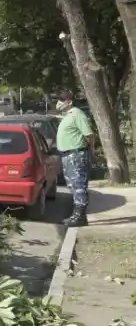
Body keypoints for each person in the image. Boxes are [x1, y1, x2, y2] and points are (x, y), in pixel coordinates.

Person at [55, 90, 93, 227]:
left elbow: (88, 135)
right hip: (67, 155)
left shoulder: (77, 114)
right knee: (72, 185)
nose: (58, 103)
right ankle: (77, 215)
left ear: (69, 102)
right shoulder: (68, 115)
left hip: (76, 154)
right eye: (58, 100)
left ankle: (80, 217)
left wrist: (89, 151)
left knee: (78, 185)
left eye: (61, 100)